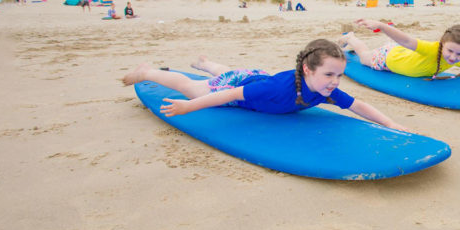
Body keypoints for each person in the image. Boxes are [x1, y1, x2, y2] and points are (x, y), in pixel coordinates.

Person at [121, 39, 409, 132]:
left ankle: (206, 63)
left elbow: (358, 105)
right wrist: (188, 107)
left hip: (258, 75)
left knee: (224, 74)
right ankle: (148, 72)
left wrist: (391, 124)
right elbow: (231, 93)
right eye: (328, 75)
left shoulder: (324, 90)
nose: (334, 82)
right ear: (308, 70)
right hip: (243, 85)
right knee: (194, 87)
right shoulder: (277, 90)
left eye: (339, 76)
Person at [340, 20, 460, 82]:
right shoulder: (433, 49)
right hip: (388, 59)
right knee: (363, 57)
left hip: (401, 53)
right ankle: (350, 38)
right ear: (442, 44)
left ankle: (357, 40)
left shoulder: (457, 55)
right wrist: (382, 26)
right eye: (450, 51)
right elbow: (407, 41)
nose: (453, 57)